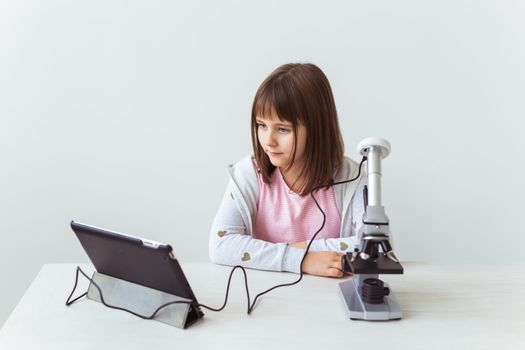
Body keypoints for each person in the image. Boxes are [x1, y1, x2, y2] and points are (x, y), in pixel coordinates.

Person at [209, 63, 367, 278]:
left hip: (330, 300)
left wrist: (291, 250)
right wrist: (302, 259)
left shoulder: (352, 177)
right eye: (261, 125)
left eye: (282, 129)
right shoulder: (249, 173)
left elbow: (375, 247)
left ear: (316, 129)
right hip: (266, 297)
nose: (268, 141)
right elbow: (220, 245)